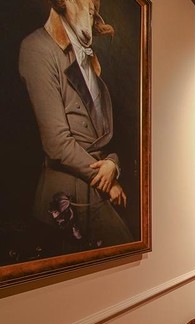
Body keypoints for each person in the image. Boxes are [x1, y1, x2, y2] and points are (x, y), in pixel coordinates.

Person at [18, 0, 132, 251]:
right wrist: (107, 180)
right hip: (66, 193)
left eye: (91, 10)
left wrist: (113, 164)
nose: (87, 11)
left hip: (94, 187)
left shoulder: (89, 62)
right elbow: (56, 142)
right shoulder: (37, 47)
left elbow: (104, 138)